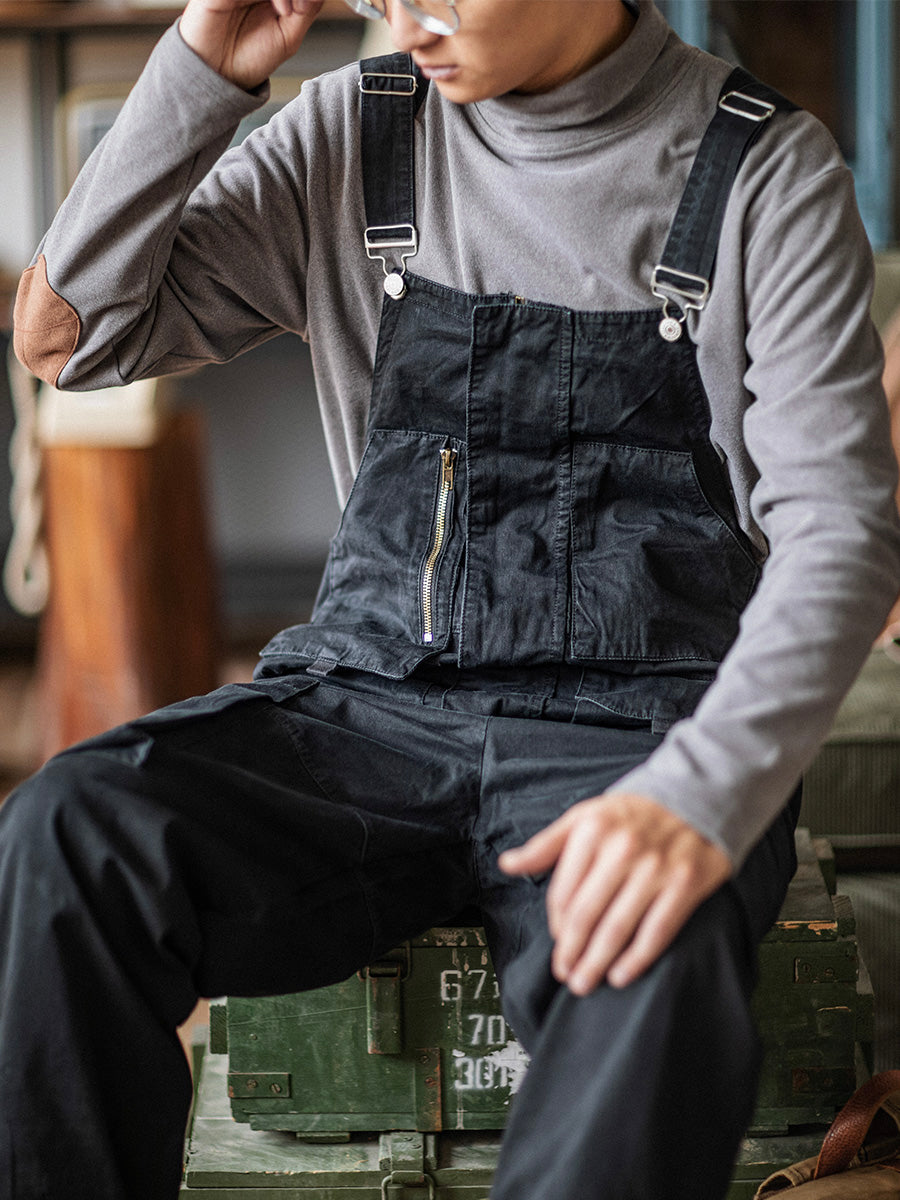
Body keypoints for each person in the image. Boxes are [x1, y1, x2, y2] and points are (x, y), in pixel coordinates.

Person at [4, 1, 900, 1197]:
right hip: (370, 709)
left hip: (639, 743)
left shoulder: (765, 174)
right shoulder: (355, 133)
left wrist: (698, 801)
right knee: (68, 834)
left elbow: (841, 535)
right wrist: (204, 65)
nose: (408, 18)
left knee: (658, 956)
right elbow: (69, 339)